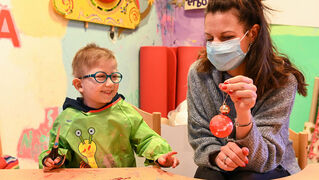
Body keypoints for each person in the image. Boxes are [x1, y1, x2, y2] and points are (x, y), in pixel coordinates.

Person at [187, 0, 307, 179]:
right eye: (210, 39)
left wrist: (244, 113)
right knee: (206, 175)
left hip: (271, 167)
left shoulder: (282, 81)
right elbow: (200, 135)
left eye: (227, 37)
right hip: (221, 168)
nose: (216, 45)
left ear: (252, 33)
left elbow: (262, 160)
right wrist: (217, 155)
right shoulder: (199, 74)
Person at [39, 43, 179, 171]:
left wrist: (160, 155)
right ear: (79, 85)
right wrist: (52, 160)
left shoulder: (124, 112)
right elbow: (58, 150)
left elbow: (147, 139)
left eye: (114, 76)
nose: (110, 83)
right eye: (101, 76)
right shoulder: (68, 119)